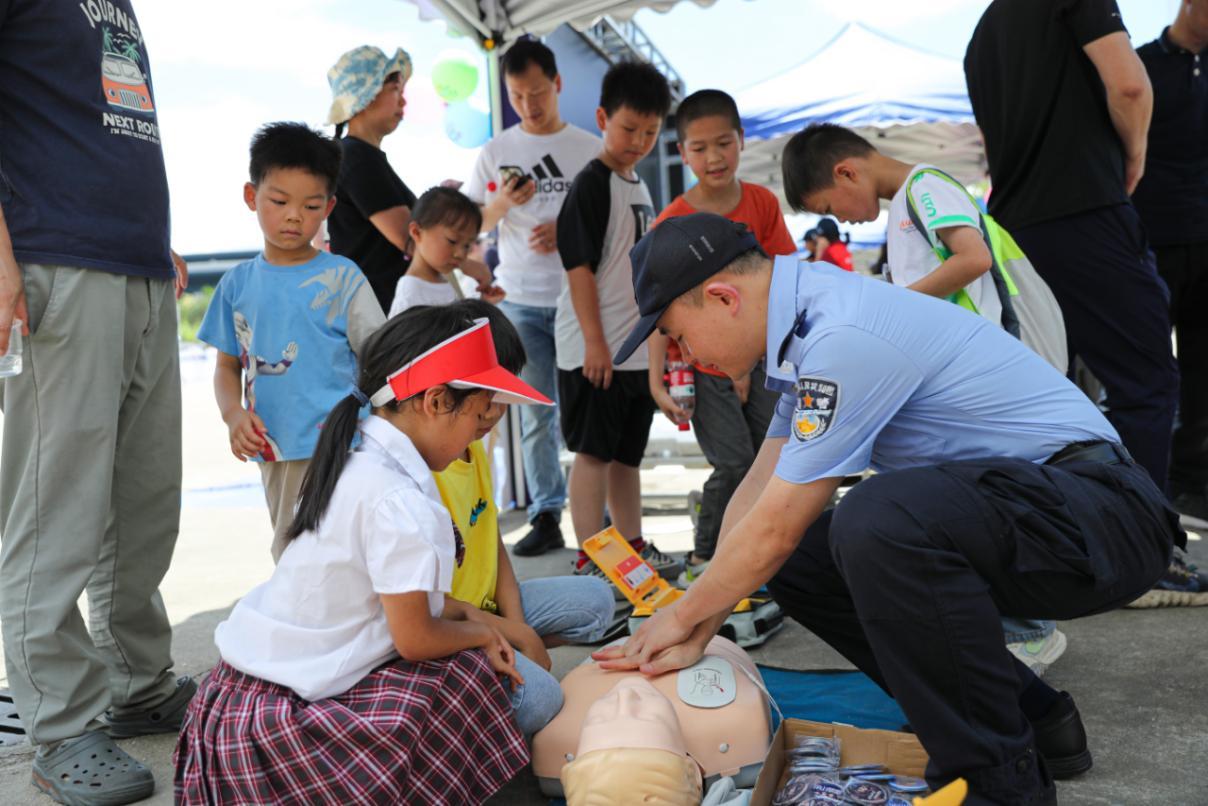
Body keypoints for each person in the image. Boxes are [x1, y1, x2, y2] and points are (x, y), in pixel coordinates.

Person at [596, 213, 1183, 805]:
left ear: (722, 297)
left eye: (677, 335)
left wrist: (677, 619)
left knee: (877, 519)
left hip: (1106, 515)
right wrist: (696, 617)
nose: (685, 355)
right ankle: (1031, 717)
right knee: (802, 554)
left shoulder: (842, 336)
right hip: (1048, 510)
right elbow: (758, 500)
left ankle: (996, 786)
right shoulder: (805, 327)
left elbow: (771, 527)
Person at [174, 307, 551, 804]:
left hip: (237, 696)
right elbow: (416, 638)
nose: (478, 438)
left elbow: (415, 608)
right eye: (480, 418)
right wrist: (486, 630)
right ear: (437, 401)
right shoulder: (400, 500)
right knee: (508, 689)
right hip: (277, 721)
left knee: (482, 670)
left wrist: (491, 626)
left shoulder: (361, 460)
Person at [779, 123, 1073, 674]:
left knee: (993, 506)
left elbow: (972, 259)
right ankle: (1010, 625)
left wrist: (891, 310)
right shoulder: (904, 213)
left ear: (848, 171)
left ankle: (1032, 629)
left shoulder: (926, 187)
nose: (841, 220)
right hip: (965, 387)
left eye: (832, 206)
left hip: (986, 385)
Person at [0, 3, 195, 803]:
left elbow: (106, 119)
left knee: (144, 498)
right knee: (57, 505)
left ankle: (137, 682)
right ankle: (61, 720)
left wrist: (149, 237)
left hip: (136, 262)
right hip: (54, 257)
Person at [964, 1, 1179, 493]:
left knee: (1052, 397)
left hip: (1016, 231)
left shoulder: (981, 37)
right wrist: (1136, 156)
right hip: (1086, 211)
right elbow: (1129, 85)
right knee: (1146, 384)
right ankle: (1142, 549)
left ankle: (1067, 537)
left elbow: (993, 147)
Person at [198, 122, 385, 561]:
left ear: (329, 207)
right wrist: (232, 415)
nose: (294, 216)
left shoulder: (343, 277)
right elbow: (227, 367)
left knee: (354, 551)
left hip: (347, 444)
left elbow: (378, 355)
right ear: (251, 197)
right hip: (276, 447)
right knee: (294, 553)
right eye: (279, 202)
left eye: (311, 205)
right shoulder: (235, 285)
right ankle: (303, 626)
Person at [436, 299, 614, 734]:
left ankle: (501, 670)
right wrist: (512, 637)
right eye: (486, 398)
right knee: (540, 698)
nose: (496, 411)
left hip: (484, 611)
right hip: (449, 630)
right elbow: (428, 614)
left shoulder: (473, 447)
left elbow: (494, 550)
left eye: (503, 394)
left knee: (598, 599)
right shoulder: (422, 470)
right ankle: (487, 690)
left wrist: (516, 630)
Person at [646, 89, 795, 585]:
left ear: (741, 141)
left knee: (770, 462)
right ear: (682, 152)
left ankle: (761, 559)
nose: (714, 157)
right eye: (700, 147)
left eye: (724, 143)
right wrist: (655, 380)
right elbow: (657, 311)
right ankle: (704, 556)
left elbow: (784, 278)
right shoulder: (670, 222)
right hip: (705, 368)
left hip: (766, 360)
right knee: (733, 463)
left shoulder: (762, 203)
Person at [466, 38, 601, 557]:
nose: (529, 105)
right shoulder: (496, 151)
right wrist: (501, 203)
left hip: (578, 298)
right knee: (532, 411)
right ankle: (547, 513)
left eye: (538, 93)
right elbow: (471, 224)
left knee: (586, 408)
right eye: (518, 96)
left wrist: (567, 231)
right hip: (519, 297)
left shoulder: (588, 149)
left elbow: (607, 228)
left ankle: (598, 509)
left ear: (559, 84)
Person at [555, 61, 678, 584]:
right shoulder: (591, 185)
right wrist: (595, 343)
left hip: (630, 348)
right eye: (629, 129)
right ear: (603, 117)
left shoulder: (642, 188)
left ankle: (630, 548)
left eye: (650, 132)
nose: (639, 141)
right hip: (592, 349)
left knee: (628, 458)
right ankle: (592, 558)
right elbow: (578, 268)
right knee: (593, 455)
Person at [324, 45, 494, 313]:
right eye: (395, 91)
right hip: (383, 316)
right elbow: (411, 239)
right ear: (365, 97)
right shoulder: (357, 158)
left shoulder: (361, 156)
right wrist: (469, 264)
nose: (403, 102)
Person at [387, 187, 505, 317]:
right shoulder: (409, 299)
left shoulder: (439, 280)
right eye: (452, 241)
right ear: (416, 232)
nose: (460, 254)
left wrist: (484, 303)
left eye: (466, 246)